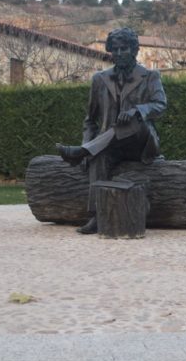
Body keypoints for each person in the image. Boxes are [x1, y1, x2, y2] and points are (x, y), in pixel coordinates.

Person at [56, 27, 167, 234]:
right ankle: (98, 215)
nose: (118, 53)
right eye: (114, 49)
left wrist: (137, 111)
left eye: (123, 48)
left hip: (140, 143)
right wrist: (86, 142)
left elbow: (160, 105)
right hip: (111, 145)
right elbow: (90, 120)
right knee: (97, 157)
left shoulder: (150, 76)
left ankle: (84, 152)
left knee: (133, 122)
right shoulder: (100, 79)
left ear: (134, 50)